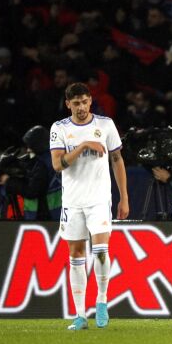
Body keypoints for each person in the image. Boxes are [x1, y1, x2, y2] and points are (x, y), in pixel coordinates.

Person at [49, 83, 129, 331]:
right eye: (76, 103)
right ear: (68, 104)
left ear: (90, 101)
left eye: (85, 102)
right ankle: (80, 315)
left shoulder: (105, 125)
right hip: (72, 201)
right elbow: (58, 165)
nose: (81, 107)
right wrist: (83, 146)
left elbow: (117, 159)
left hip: (99, 199)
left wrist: (124, 197)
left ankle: (102, 301)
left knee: (101, 249)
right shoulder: (59, 128)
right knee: (76, 255)